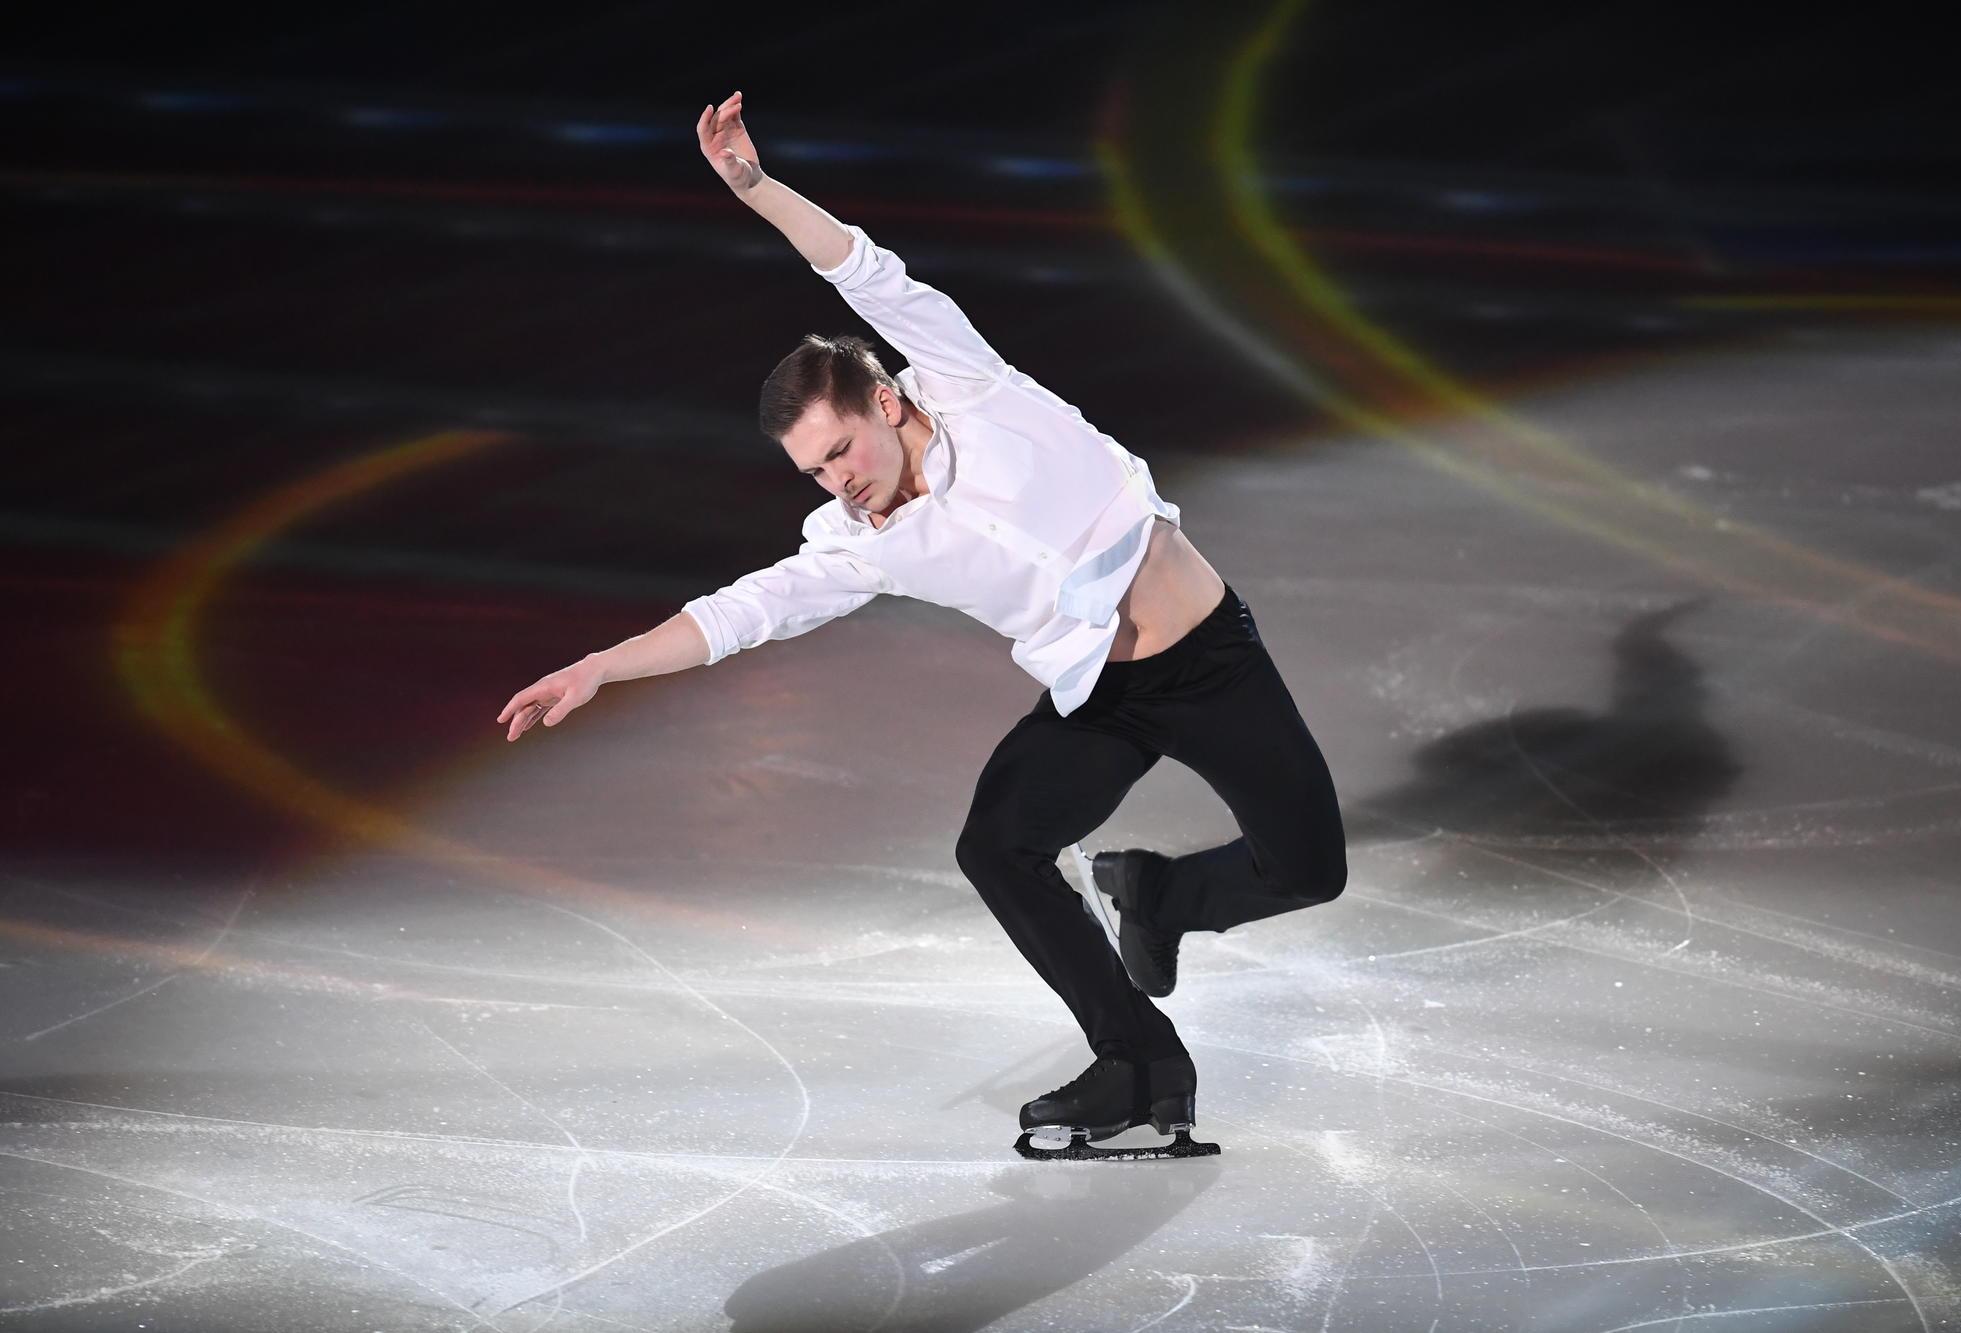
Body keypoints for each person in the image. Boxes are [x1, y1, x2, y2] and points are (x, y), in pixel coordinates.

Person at [496, 91, 1348, 1161]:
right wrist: (601, 664)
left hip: (1210, 657)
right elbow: (742, 612)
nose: (837, 481)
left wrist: (756, 190)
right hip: (1102, 693)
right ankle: (1138, 1058)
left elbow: (861, 271)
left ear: (886, 404)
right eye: (813, 472)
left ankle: (1160, 893)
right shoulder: (858, 543)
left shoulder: (967, 382)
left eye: (840, 450)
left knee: (1308, 870)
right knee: (996, 847)